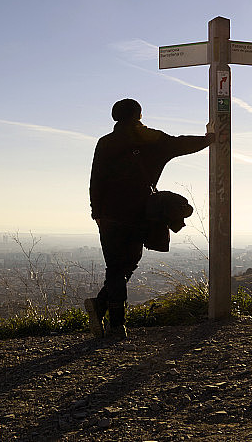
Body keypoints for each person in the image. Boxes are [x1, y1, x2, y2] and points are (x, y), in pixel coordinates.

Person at [86, 98, 214, 339]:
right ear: (140, 115)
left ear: (115, 117)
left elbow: (96, 180)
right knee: (128, 265)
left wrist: (96, 213)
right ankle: (115, 324)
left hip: (110, 215)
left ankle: (106, 313)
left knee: (116, 268)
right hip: (140, 214)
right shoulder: (153, 139)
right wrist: (209, 139)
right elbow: (181, 144)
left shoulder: (106, 143)